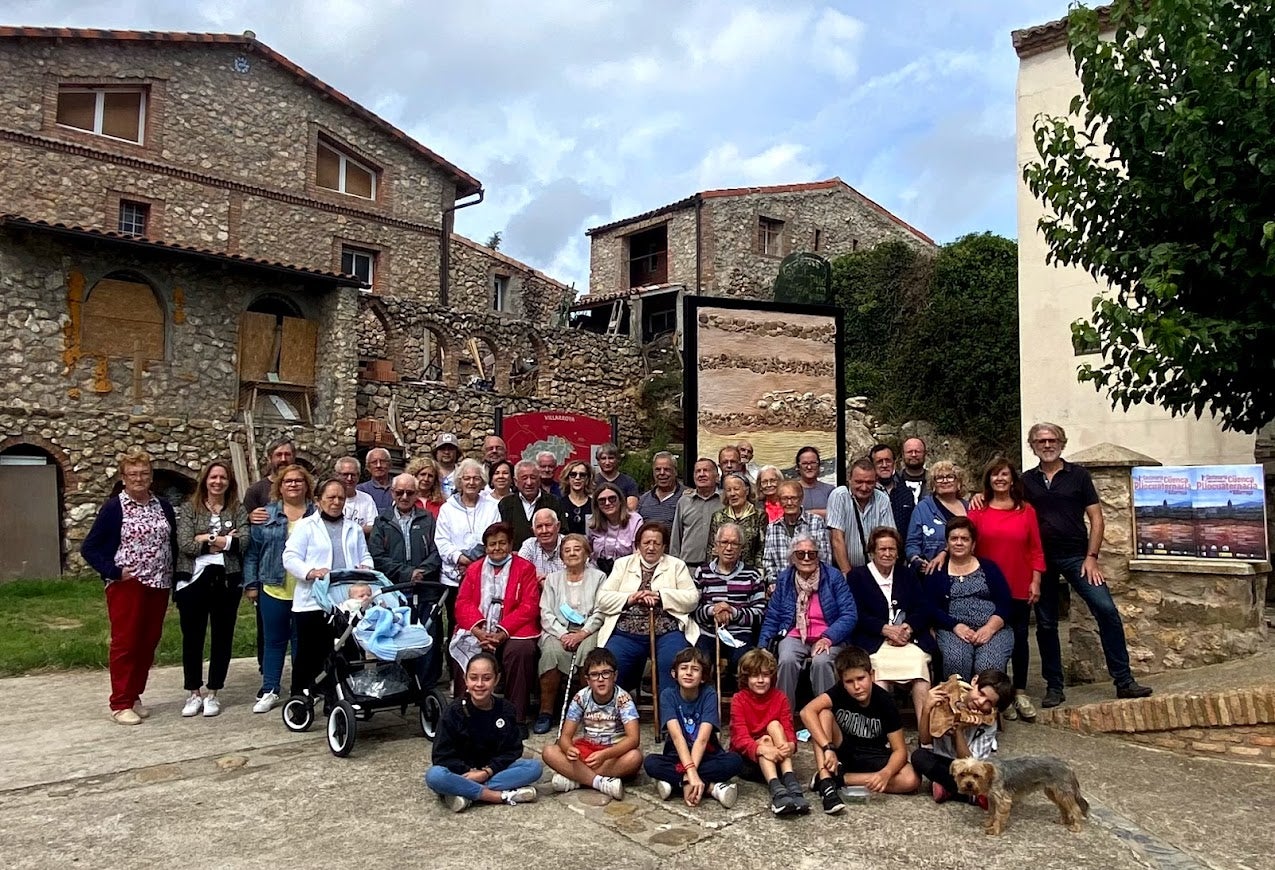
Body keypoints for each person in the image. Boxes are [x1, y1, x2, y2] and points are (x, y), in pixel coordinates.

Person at [1021, 421, 1152, 706]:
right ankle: (1054, 686)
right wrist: (981, 497)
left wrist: (1092, 557)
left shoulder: (1078, 476)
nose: (1047, 445)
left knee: (1106, 610)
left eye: (1052, 440)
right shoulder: (1026, 481)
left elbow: (1097, 519)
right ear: (1033, 446)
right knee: (1045, 625)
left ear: (1062, 443)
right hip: (1041, 561)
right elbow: (1005, 503)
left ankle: (1124, 681)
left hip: (1077, 557)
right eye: (1041, 441)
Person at [81, 449, 178, 725]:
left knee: (148, 642)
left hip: (159, 582)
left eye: (144, 473)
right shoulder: (115, 507)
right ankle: (120, 701)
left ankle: (135, 694)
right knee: (126, 642)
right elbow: (89, 547)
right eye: (133, 474)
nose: (139, 478)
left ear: (151, 477)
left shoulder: (163, 505)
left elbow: (171, 543)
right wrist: (114, 571)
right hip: (128, 585)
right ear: (123, 478)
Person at [283, 478, 373, 703]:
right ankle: (301, 698)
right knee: (309, 654)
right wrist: (311, 571)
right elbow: (290, 557)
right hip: (312, 600)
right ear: (318, 500)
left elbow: (365, 555)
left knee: (347, 651)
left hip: (345, 600)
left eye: (340, 498)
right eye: (330, 497)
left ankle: (343, 698)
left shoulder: (353, 528)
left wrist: (366, 567)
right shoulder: (306, 526)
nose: (336, 502)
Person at [802, 646, 921, 815]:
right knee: (823, 713)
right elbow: (807, 712)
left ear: (871, 675)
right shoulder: (839, 692)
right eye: (849, 682)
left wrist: (885, 774)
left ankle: (834, 779)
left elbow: (900, 750)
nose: (857, 686)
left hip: (874, 754)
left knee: (911, 779)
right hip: (843, 752)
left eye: (861, 678)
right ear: (842, 681)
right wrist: (827, 748)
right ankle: (826, 780)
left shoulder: (885, 701)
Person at [969, 458, 1045, 721]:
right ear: (988, 479)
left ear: (1013, 479)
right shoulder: (977, 511)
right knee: (993, 642)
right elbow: (964, 545)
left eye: (1004, 474)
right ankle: (1000, 695)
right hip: (986, 589)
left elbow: (1036, 549)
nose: (1000, 479)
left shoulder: (1027, 511)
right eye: (994, 475)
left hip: (1019, 584)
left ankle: (1020, 691)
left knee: (1021, 639)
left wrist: (1036, 580)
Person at [449, 522, 541, 736]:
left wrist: (501, 632)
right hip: (480, 628)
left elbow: (529, 605)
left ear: (510, 545)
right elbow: (462, 603)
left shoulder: (525, 568)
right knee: (463, 650)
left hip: (513, 628)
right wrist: (479, 630)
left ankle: (515, 718)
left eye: (502, 543)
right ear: (486, 547)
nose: (497, 548)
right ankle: (465, 715)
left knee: (521, 651)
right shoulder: (474, 569)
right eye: (492, 544)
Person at [174, 460, 248, 718]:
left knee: (222, 637)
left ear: (229, 482)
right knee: (192, 637)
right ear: (205, 480)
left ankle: (214, 691)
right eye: (213, 477)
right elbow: (184, 543)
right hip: (193, 579)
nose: (218, 482)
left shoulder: (237, 509)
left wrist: (208, 538)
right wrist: (226, 540)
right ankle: (193, 692)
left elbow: (245, 541)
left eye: (223, 478)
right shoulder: (190, 509)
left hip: (227, 578)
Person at [425, 652, 543, 813]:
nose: (479, 684)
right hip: (462, 772)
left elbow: (513, 750)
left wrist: (486, 772)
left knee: (534, 767)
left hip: (491, 771)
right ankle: (498, 796)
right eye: (473, 678)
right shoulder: (453, 712)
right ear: (466, 679)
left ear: (497, 679)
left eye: (486, 678)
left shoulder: (506, 709)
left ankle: (464, 792)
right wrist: (469, 772)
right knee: (435, 776)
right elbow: (441, 755)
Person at [596, 521, 699, 697]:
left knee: (673, 661)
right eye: (646, 543)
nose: (651, 548)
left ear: (664, 546)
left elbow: (692, 599)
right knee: (610, 662)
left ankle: (669, 717)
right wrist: (630, 598)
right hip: (626, 632)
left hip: (667, 631)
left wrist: (661, 596)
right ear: (638, 545)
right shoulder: (623, 564)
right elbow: (602, 599)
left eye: (656, 543)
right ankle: (616, 713)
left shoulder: (676, 565)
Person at [242, 464, 314, 713]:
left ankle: (301, 689)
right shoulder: (266, 515)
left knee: (302, 643)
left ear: (307, 486)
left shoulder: (316, 514)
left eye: (299, 481)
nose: (293, 485)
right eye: (288, 481)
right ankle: (270, 688)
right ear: (279, 487)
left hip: (307, 589)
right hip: (273, 586)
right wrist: (251, 584)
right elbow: (252, 553)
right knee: (274, 641)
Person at [757, 533, 857, 712]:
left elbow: (849, 615)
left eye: (811, 554)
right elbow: (773, 616)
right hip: (794, 634)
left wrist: (828, 638)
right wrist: (763, 646)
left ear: (818, 556)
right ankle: (784, 716)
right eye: (800, 554)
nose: (806, 558)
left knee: (822, 661)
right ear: (792, 558)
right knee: (786, 659)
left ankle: (826, 717)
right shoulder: (785, 579)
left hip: (828, 635)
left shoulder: (833, 577)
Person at [845, 527, 932, 725]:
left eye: (892, 549)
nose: (887, 554)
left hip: (908, 640)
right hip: (875, 642)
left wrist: (907, 628)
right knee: (879, 674)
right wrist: (885, 629)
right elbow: (856, 614)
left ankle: (925, 736)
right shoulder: (857, 577)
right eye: (882, 549)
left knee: (919, 669)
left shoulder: (907, 574)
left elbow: (923, 608)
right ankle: (884, 733)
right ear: (872, 551)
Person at [644, 647, 744, 807]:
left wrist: (690, 774)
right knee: (650, 763)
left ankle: (676, 784)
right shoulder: (668, 695)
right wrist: (691, 773)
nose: (689, 673)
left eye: (695, 669)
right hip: (677, 755)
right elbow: (677, 737)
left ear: (703, 677)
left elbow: (703, 739)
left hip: (706, 754)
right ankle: (711, 788)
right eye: (683, 668)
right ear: (674, 674)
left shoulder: (709, 694)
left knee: (735, 761)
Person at [369, 472, 443, 685]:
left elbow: (438, 551)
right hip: (394, 591)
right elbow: (377, 556)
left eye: (409, 493)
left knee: (427, 636)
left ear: (416, 494)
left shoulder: (428, 519)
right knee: (392, 637)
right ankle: (393, 684)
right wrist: (406, 573)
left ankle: (426, 687)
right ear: (392, 493)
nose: (404, 497)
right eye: (399, 492)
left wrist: (422, 571)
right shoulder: (382, 521)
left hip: (425, 589)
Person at [544, 648, 643, 800]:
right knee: (549, 752)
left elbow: (633, 739)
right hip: (587, 749)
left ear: (614, 676)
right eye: (595, 675)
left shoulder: (623, 699)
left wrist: (605, 755)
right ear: (588, 680)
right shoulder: (581, 697)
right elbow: (565, 736)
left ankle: (577, 778)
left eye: (606, 673)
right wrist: (569, 749)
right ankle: (599, 782)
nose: (600, 679)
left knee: (634, 757)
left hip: (612, 752)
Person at [923, 517, 1014, 681]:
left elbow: (1005, 603)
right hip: (952, 630)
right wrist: (955, 626)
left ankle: (985, 704)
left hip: (992, 629)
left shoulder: (989, 567)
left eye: (964, 539)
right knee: (956, 660)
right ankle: (959, 704)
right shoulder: (936, 571)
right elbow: (930, 607)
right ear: (947, 543)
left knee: (988, 665)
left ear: (973, 544)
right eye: (954, 538)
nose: (959, 543)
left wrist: (990, 628)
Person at [535, 534, 607, 734]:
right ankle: (546, 712)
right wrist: (563, 634)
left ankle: (589, 711)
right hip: (558, 631)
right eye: (567, 550)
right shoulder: (552, 579)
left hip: (588, 630)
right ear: (561, 556)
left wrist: (581, 634)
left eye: (577, 549)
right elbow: (546, 612)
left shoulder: (599, 577)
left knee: (589, 654)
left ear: (586, 554)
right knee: (550, 653)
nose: (572, 553)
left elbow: (601, 610)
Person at [911, 668, 1014, 807]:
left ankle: (951, 789)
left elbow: (971, 765)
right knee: (919, 757)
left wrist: (959, 731)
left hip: (970, 771)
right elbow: (924, 740)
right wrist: (926, 708)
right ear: (974, 681)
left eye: (988, 702)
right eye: (980, 693)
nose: (980, 702)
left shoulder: (988, 724)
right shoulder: (947, 697)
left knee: (991, 772)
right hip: (943, 761)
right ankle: (969, 795)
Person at [728, 648, 810, 816]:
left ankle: (791, 782)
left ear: (771, 677)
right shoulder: (739, 699)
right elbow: (739, 738)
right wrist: (764, 749)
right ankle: (777, 791)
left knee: (775, 725)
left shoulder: (780, 697)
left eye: (765, 675)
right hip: (749, 761)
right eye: (754, 676)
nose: (760, 680)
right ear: (746, 678)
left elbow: (788, 728)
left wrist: (790, 745)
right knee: (765, 739)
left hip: (779, 758)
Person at [435, 459, 501, 635]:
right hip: (453, 576)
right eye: (467, 478)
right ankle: (453, 660)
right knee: (456, 622)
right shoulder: (447, 509)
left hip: (483, 573)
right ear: (459, 481)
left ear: (482, 482)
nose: (471, 482)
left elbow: (495, 536)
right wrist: (460, 558)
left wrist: (474, 562)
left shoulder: (492, 507)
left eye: (476, 478)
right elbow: (441, 541)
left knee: (482, 619)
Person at [693, 523, 766, 679]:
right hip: (709, 633)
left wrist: (732, 612)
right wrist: (713, 611)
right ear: (716, 545)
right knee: (699, 662)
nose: (729, 547)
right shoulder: (702, 572)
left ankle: (739, 701)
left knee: (743, 662)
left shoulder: (752, 574)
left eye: (734, 543)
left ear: (741, 549)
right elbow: (694, 610)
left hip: (740, 635)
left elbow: (760, 613)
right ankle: (707, 700)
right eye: (724, 542)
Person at [828, 458, 896, 573]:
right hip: (844, 569)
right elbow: (837, 539)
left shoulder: (882, 499)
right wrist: (848, 574)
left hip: (875, 571)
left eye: (869, 483)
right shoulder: (839, 496)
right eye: (859, 482)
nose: (864, 488)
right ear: (849, 479)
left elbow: (889, 537)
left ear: (876, 481)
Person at [762, 480, 831, 586]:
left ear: (801, 499)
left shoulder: (816, 522)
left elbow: (825, 558)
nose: (789, 503)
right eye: (785, 499)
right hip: (782, 587)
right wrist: (774, 583)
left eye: (793, 498)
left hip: (814, 586)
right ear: (779, 501)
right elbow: (768, 563)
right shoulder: (772, 528)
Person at [905, 460, 969, 575]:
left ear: (959, 482)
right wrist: (917, 560)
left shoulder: (970, 508)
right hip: (933, 572)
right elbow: (912, 543)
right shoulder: (922, 508)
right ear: (933, 484)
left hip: (964, 571)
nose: (945, 481)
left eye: (950, 477)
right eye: (939, 478)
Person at [498, 459, 566, 550]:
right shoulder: (506, 503)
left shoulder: (554, 502)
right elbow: (502, 534)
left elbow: (563, 531)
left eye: (533, 478)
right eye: (524, 478)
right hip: (515, 558)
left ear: (539, 479)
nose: (529, 483)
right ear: (515, 481)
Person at [669, 457, 723, 570]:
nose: (701, 474)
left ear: (717, 477)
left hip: (719, 567)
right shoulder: (684, 501)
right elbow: (676, 538)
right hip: (688, 568)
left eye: (706, 470)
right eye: (698, 471)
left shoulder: (725, 501)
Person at [708, 473, 767, 572]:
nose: (732, 494)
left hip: (749, 573)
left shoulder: (759, 515)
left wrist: (760, 572)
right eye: (728, 490)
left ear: (746, 491)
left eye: (736, 489)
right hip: (722, 571)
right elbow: (711, 549)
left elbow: (762, 549)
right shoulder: (718, 516)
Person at [587, 483, 643, 575]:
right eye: (602, 500)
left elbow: (638, 555)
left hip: (627, 572)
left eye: (612, 498)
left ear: (620, 500)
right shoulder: (592, 524)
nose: (607, 503)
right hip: (598, 572)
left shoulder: (635, 521)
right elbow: (589, 554)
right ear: (597, 505)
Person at [871, 443, 917, 538]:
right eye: (879, 461)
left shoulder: (906, 493)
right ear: (872, 465)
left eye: (888, 461)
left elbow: (913, 529)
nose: (884, 465)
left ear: (894, 463)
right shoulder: (867, 493)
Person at [242, 437, 294, 517]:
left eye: (287, 454)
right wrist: (249, 517)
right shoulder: (255, 491)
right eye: (279, 455)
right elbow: (243, 522)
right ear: (269, 458)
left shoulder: (301, 488)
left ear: (293, 458)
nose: (283, 459)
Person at [636, 451, 684, 528]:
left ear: (675, 472)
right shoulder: (643, 500)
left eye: (666, 469)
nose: (662, 473)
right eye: (658, 469)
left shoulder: (687, 497)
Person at [518, 507, 565, 580]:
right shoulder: (529, 545)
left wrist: (548, 580)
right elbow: (520, 571)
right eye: (539, 527)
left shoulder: (568, 544)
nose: (544, 531)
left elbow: (578, 574)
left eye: (548, 525)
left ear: (558, 526)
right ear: (533, 530)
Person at [335, 456, 378, 534]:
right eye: (345, 474)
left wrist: (349, 530)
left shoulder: (367, 499)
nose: (349, 478)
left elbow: (373, 527)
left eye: (353, 475)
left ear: (358, 476)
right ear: (337, 475)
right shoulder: (331, 499)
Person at [593, 442, 638, 511]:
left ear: (617, 460)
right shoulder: (592, 482)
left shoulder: (629, 482)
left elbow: (631, 509)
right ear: (598, 461)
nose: (607, 462)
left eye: (611, 458)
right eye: (603, 458)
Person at [794, 446, 835, 516]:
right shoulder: (791, 490)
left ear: (819, 465)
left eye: (813, 463)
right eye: (804, 463)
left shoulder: (830, 491)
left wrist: (807, 513)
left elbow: (837, 515)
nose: (809, 467)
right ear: (798, 467)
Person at [559, 459, 593, 535]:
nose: (577, 478)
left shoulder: (594, 505)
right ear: (567, 478)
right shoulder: (559, 504)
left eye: (582, 475)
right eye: (573, 474)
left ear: (587, 479)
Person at [357, 447, 394, 514]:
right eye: (374, 462)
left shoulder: (399, 488)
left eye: (382, 461)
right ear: (368, 467)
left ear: (390, 465)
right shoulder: (360, 490)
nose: (378, 465)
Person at [898, 437, 930, 507]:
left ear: (925, 453)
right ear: (903, 455)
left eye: (917, 451)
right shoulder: (894, 481)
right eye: (909, 452)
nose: (914, 455)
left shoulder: (934, 481)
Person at [432, 433, 462, 497]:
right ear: (436, 452)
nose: (446, 452)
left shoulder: (463, 473)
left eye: (450, 449)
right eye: (442, 449)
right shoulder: (429, 473)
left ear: (457, 452)